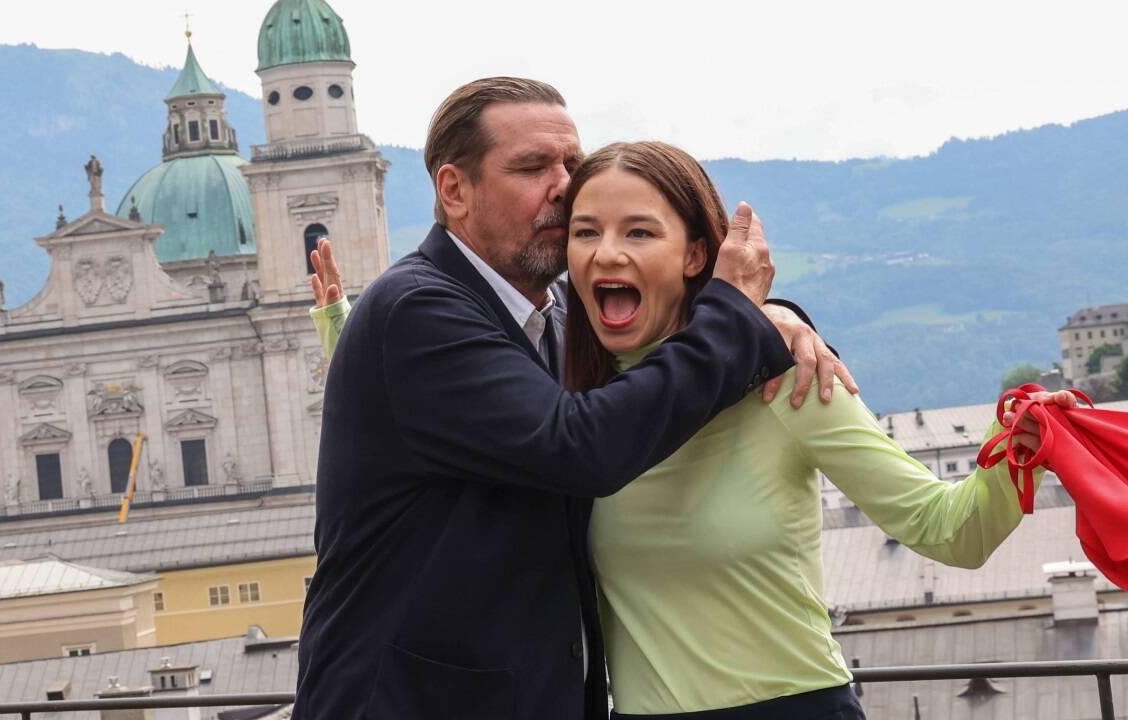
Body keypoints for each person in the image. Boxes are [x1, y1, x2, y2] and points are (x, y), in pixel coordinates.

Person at [295, 77, 855, 720]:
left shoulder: (554, 316)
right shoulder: (419, 308)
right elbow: (580, 445)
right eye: (533, 167)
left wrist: (774, 318)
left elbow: (652, 369)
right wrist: (736, 319)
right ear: (454, 191)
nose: (564, 185)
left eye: (571, 163)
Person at [559, 141, 1071, 719]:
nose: (607, 254)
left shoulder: (789, 381)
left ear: (698, 255)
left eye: (639, 233)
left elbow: (948, 530)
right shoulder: (571, 409)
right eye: (585, 232)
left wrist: (1014, 451)